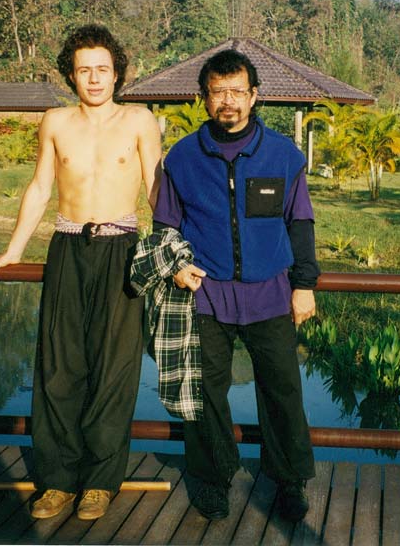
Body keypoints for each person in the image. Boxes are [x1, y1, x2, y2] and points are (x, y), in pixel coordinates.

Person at [0, 24, 162, 521]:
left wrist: (173, 249)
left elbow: (155, 185)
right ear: (71, 73)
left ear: (117, 74)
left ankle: (99, 483)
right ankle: (58, 481)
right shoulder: (55, 121)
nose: (93, 78)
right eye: (84, 69)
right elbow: (40, 188)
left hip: (122, 249)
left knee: (115, 367)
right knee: (59, 366)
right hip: (67, 246)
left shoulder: (138, 119)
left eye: (102, 69)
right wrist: (14, 250)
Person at [152, 49, 319, 522]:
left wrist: (303, 285)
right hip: (205, 292)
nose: (228, 101)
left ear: (254, 96)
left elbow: (300, 223)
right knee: (205, 389)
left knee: (283, 389)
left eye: (237, 92)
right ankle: (212, 478)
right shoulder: (182, 157)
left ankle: (288, 480)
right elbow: (165, 226)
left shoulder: (283, 155)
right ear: (204, 98)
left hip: (270, 290)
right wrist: (175, 267)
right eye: (218, 92)